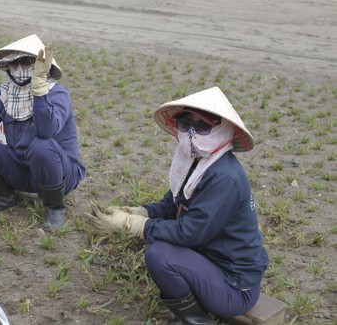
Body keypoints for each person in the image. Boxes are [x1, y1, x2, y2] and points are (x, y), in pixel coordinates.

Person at [84, 86, 269, 324]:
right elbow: (173, 203)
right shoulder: (197, 162)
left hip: (234, 286)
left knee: (160, 254)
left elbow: (189, 232)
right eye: (185, 123)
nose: (192, 134)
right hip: (210, 261)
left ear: (223, 129)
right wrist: (142, 212)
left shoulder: (224, 177)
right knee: (161, 241)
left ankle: (197, 320)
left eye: (201, 126)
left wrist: (135, 225)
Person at [0, 35, 86, 230]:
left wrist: (39, 90)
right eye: (14, 63)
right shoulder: (5, 93)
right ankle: (5, 196)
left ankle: (55, 206)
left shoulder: (57, 94)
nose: (19, 68)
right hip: (22, 167)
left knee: (41, 145)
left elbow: (46, 131)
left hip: (59, 171)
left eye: (27, 62)